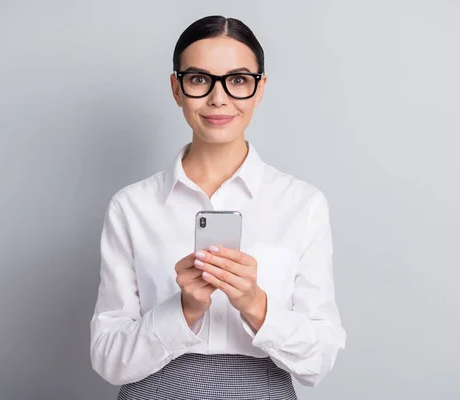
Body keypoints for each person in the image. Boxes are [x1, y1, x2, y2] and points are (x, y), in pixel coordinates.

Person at [90, 15, 347, 400]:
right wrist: (184, 309)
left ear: (260, 90)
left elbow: (320, 359)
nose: (219, 97)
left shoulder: (302, 204)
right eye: (199, 79)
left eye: (238, 80)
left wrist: (255, 304)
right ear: (177, 89)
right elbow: (108, 359)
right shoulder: (132, 207)